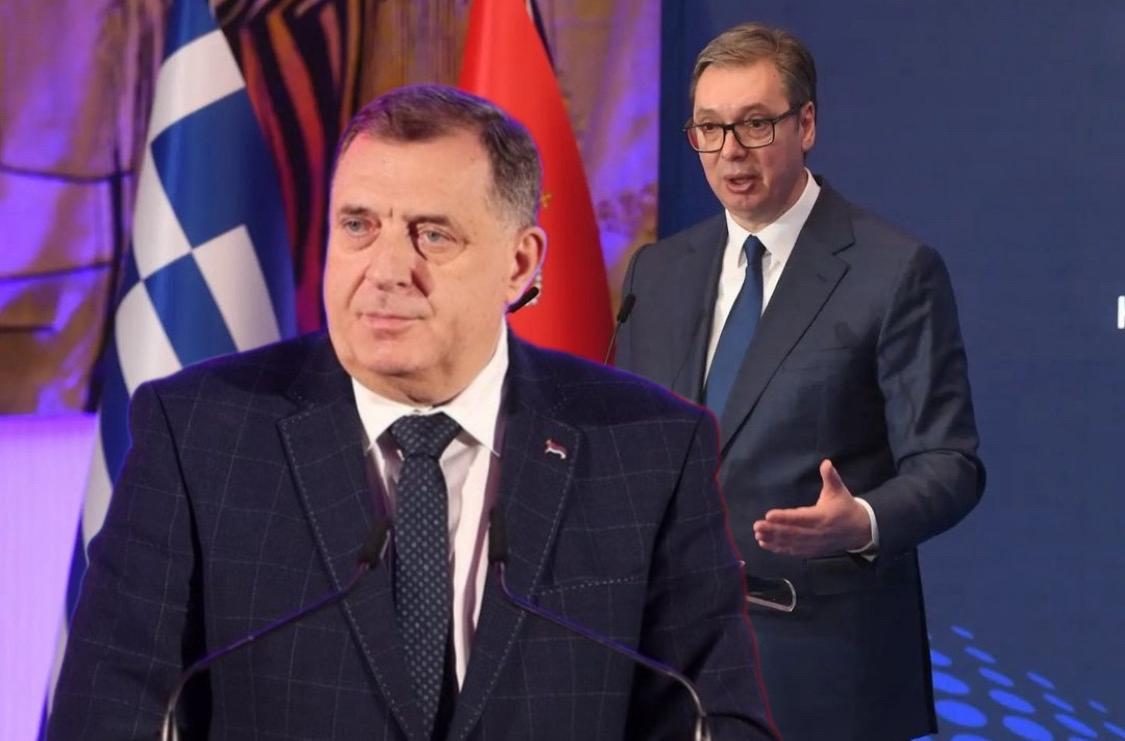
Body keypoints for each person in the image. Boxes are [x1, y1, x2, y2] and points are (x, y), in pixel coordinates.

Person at [49, 84, 777, 740]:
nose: (387, 269)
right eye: (358, 225)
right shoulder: (200, 433)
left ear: (519, 265)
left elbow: (716, 718)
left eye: (433, 234)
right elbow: (104, 712)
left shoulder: (646, 449)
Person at [616, 22, 985, 741]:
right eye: (709, 128)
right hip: (667, 664)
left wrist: (863, 521)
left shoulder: (893, 271)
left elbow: (950, 463)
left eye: (755, 123)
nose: (730, 151)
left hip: (820, 666)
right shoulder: (656, 272)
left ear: (805, 123)